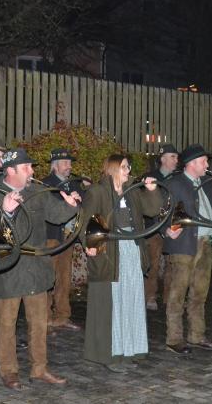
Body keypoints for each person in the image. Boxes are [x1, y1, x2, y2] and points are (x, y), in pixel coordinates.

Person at [0, 148, 79, 390]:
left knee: (39, 323)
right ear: (10, 170)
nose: (32, 171)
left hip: (36, 268)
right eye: (27, 167)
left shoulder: (37, 191)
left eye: (31, 166)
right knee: (6, 324)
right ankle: (9, 371)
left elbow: (57, 215)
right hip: (8, 270)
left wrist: (70, 205)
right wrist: (5, 210)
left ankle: (39, 368)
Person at [80, 155, 162, 373]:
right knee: (112, 303)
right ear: (113, 168)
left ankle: (128, 350)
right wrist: (90, 244)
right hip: (109, 252)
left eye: (129, 167)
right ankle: (109, 354)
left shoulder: (132, 190)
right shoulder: (97, 191)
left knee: (131, 299)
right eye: (125, 167)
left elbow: (153, 210)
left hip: (131, 250)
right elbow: (85, 221)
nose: (129, 170)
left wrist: (152, 190)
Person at [162, 144, 212, 354]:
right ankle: (173, 339)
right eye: (204, 161)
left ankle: (196, 334)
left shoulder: (207, 184)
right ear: (192, 164)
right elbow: (163, 211)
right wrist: (167, 230)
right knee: (178, 293)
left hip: (205, 242)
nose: (207, 165)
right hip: (184, 244)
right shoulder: (175, 183)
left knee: (200, 293)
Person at [42, 148, 87, 332]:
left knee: (64, 277)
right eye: (65, 163)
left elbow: (83, 206)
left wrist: (85, 190)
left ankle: (62, 316)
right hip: (51, 237)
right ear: (55, 165)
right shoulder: (46, 184)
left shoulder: (74, 184)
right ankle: (44, 318)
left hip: (68, 237)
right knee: (47, 278)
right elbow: (49, 210)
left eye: (70, 163)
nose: (69, 166)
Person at [142, 143, 178, 311]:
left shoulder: (179, 178)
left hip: (173, 226)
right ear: (163, 159)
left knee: (173, 263)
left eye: (176, 157)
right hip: (154, 227)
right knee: (154, 263)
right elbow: (146, 204)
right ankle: (150, 296)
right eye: (173, 157)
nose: (176, 160)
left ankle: (170, 297)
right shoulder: (150, 177)